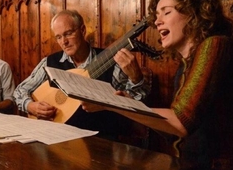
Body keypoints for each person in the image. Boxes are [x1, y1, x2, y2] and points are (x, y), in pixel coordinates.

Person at [81, 0, 233, 169]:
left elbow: (180, 122)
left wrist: (112, 105)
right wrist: (131, 104)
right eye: (157, 15)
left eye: (166, 12)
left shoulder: (215, 45)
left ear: (194, 13)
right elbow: (172, 132)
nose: (157, 21)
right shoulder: (185, 65)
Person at [13, 9, 151, 141]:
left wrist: (136, 78)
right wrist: (30, 106)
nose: (64, 42)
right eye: (58, 37)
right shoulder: (49, 62)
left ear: (83, 30)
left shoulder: (111, 61)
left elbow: (133, 103)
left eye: (68, 34)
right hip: (56, 136)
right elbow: (20, 90)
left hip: (99, 139)